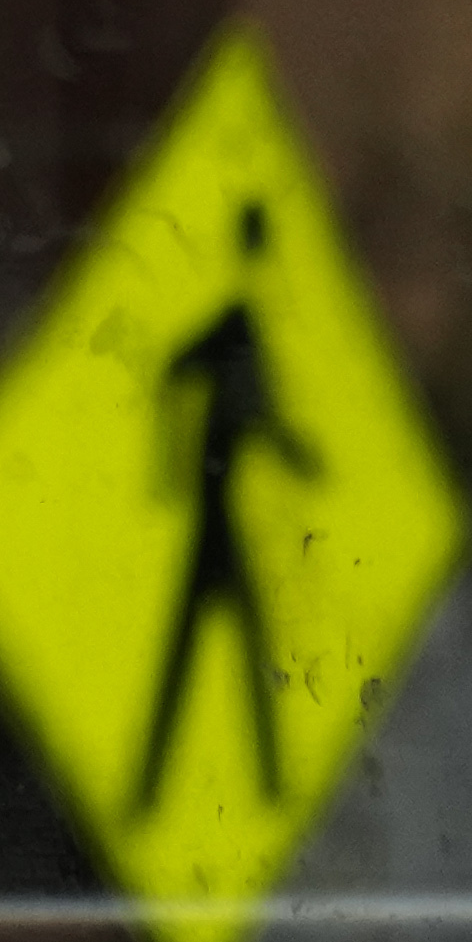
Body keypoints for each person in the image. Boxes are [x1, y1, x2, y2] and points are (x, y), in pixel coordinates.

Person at [137, 200, 322, 810]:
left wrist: (300, 457)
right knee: (211, 658)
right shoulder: (234, 324)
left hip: (226, 515)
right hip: (214, 515)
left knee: (226, 656)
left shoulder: (253, 328)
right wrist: (168, 466)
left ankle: (245, 787)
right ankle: (161, 791)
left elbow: (260, 418)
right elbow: (170, 371)